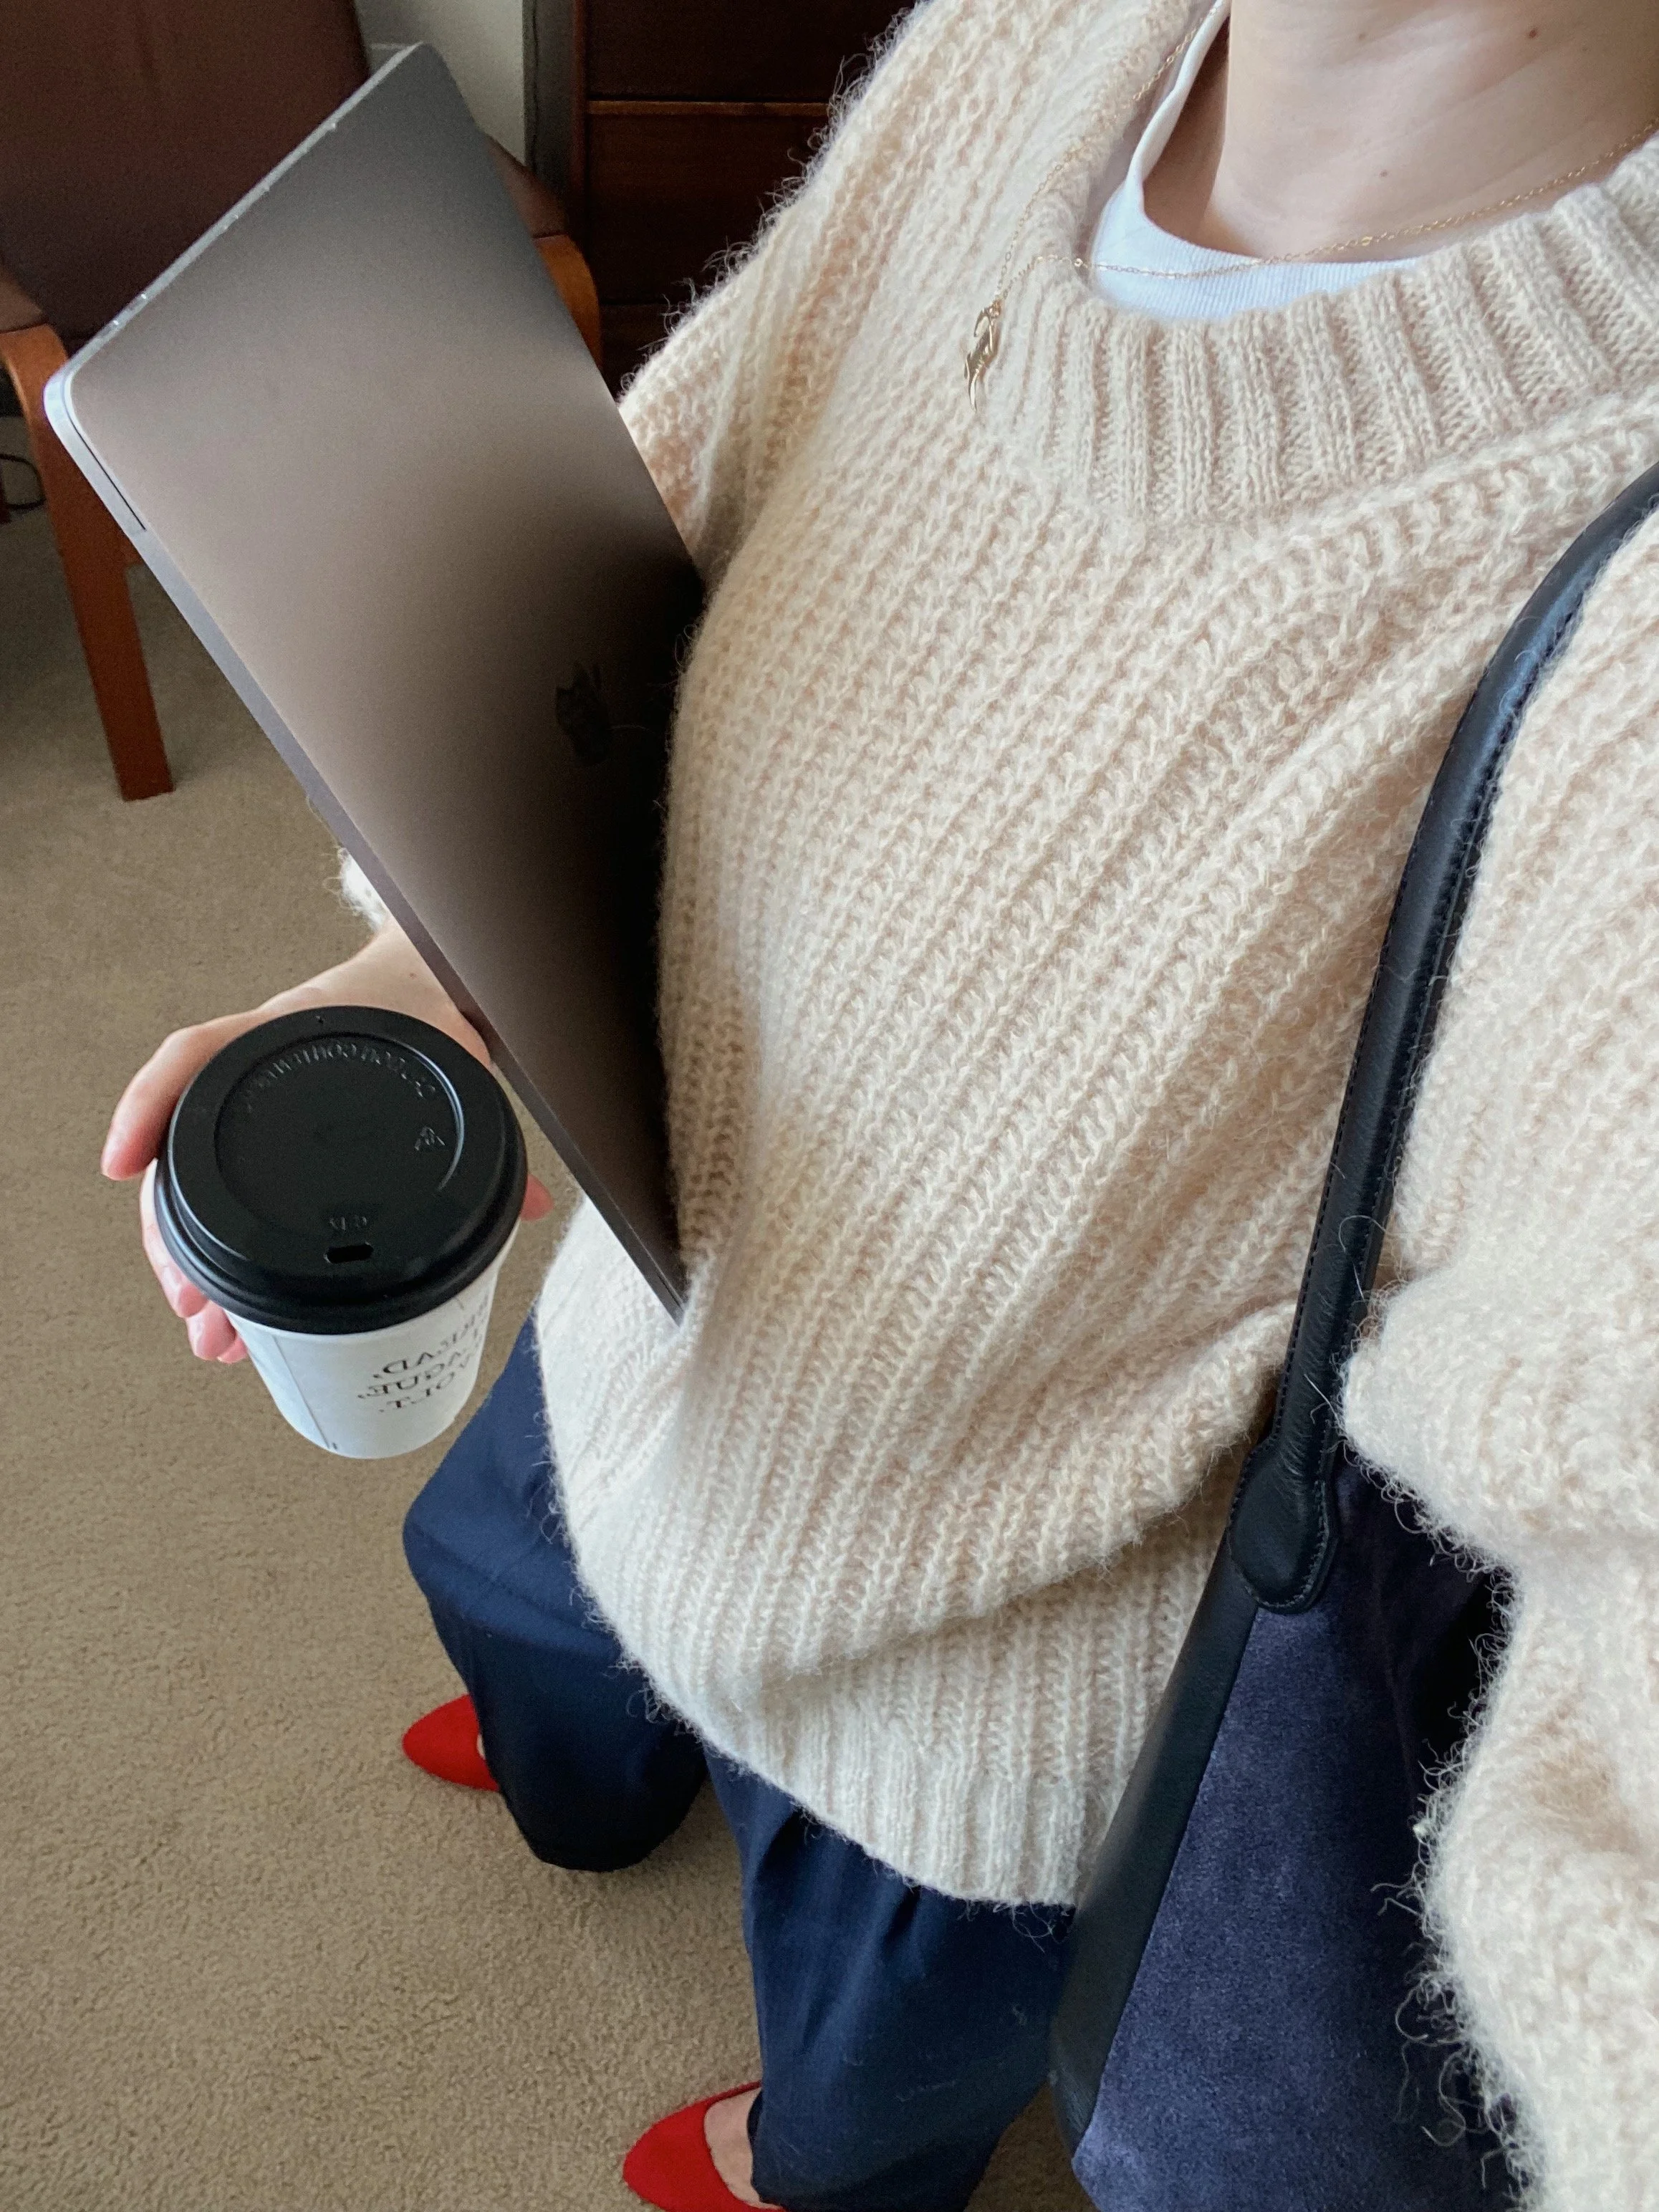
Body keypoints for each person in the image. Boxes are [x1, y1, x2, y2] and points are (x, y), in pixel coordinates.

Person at [103, 0, 1659, 2204]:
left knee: (878, 2063)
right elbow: (689, 479)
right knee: (522, 1607)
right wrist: (434, 961)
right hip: (646, 1311)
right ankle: (598, 1748)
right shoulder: (1044, 29)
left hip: (967, 1676)